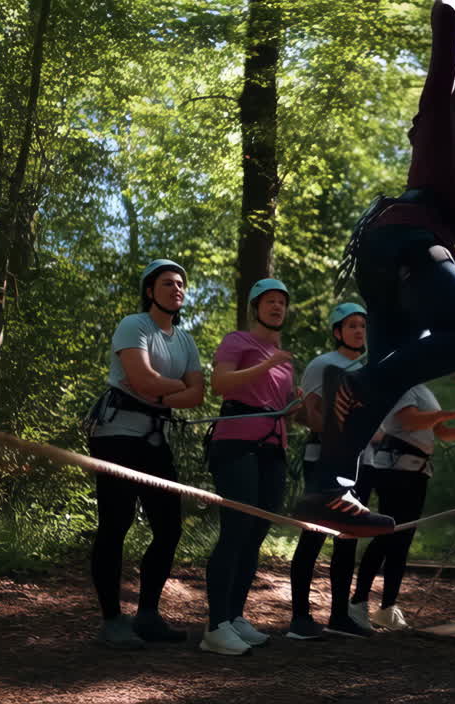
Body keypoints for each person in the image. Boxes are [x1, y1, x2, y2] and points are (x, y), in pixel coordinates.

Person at [293, 0, 455, 537]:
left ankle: (329, 487)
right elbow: (445, 52)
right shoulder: (444, 117)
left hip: (393, 256)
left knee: (384, 378)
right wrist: (450, 3)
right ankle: (355, 387)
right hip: (409, 244)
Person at [85, 259, 204, 649]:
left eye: (181, 283)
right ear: (150, 291)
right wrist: (173, 387)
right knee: (116, 524)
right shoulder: (134, 325)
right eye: (167, 283)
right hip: (116, 435)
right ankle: (111, 621)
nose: (176, 288)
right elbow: (142, 379)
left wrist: (160, 391)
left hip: (154, 439)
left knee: (169, 528)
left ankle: (148, 615)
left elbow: (197, 394)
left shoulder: (185, 341)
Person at [200, 279, 299, 656]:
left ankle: (235, 615)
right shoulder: (237, 341)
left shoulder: (283, 359)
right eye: (269, 301)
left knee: (256, 532)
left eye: (282, 302)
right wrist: (266, 364)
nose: (277, 307)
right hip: (236, 443)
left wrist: (295, 406)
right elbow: (220, 383)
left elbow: (277, 405)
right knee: (236, 529)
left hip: (273, 448)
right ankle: (215, 626)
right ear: (255, 308)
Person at [349, 385, 455, 631]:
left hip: (416, 471)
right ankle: (357, 603)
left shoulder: (425, 392)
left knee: (402, 539)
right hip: (396, 469)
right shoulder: (404, 386)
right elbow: (410, 420)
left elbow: (443, 432)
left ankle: (387, 608)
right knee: (387, 535)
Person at [287, 303, 378, 640]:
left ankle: (339, 615)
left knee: (349, 535)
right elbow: (306, 413)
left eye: (363, 326)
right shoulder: (323, 364)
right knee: (313, 533)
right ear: (338, 331)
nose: (359, 331)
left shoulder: (370, 368)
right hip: (322, 459)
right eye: (351, 325)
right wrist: (335, 430)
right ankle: (299, 617)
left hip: (357, 460)